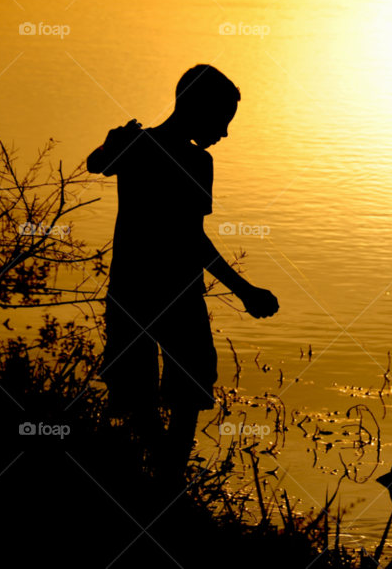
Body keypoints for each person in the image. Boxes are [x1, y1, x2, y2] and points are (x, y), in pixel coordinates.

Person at [87, 64, 279, 486]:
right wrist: (244, 290)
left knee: (142, 390)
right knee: (183, 392)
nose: (225, 133)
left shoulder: (136, 146)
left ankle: (160, 476)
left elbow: (96, 164)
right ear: (197, 108)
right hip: (176, 294)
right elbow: (192, 239)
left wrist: (110, 143)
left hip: (132, 289)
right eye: (222, 120)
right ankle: (167, 480)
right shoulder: (194, 161)